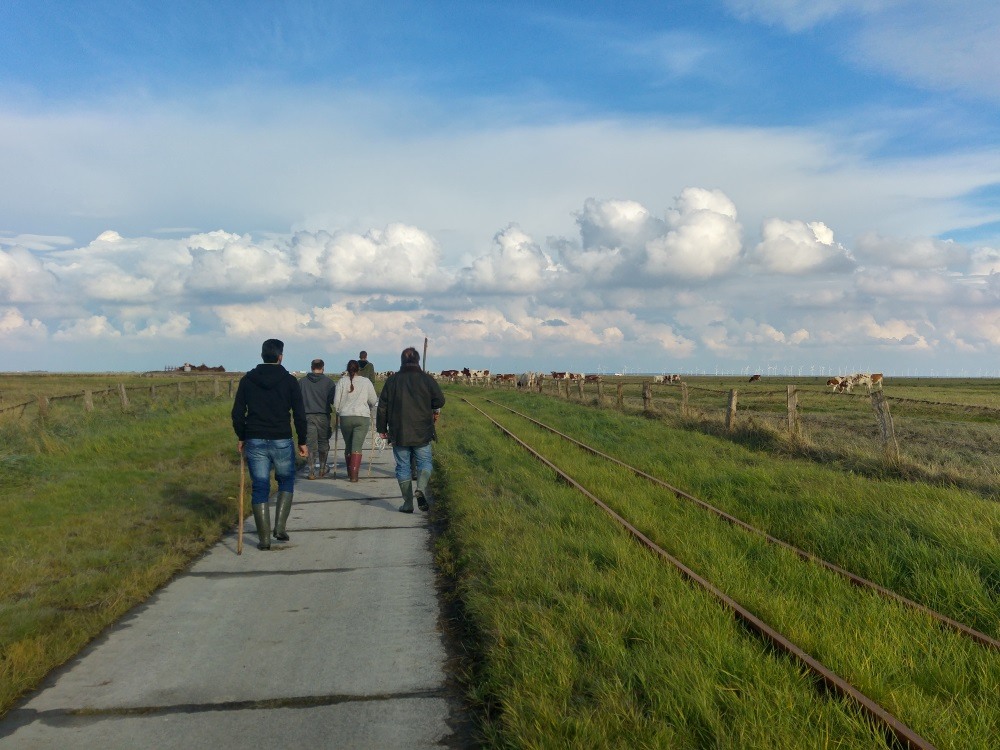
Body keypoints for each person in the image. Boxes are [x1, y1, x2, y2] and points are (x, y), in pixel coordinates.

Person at [231, 338, 308, 549]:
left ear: (262, 355)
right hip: (281, 438)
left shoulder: (248, 380)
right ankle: (280, 528)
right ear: (280, 356)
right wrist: (302, 440)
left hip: (255, 438)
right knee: (285, 480)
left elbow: (238, 413)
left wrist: (241, 436)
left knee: (260, 486)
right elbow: (299, 414)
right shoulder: (289, 381)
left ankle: (264, 540)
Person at [377, 346, 445, 513]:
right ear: (418, 361)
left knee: (402, 467)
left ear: (401, 361)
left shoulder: (392, 380)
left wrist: (381, 429)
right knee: (425, 463)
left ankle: (408, 504)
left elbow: (382, 407)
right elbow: (440, 401)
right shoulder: (427, 379)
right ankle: (420, 488)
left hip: (398, 431)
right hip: (422, 430)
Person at [334, 359, 379, 482]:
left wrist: (339, 411)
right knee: (357, 446)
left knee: (348, 445)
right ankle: (354, 475)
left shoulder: (342, 381)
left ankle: (350, 472)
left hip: (345, 417)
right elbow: (374, 400)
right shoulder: (366, 381)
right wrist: (368, 407)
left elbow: (336, 402)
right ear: (359, 369)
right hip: (362, 417)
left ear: (347, 369)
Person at [299, 358, 336, 479]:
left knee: (310, 444)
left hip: (307, 415)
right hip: (323, 415)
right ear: (323, 367)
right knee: (323, 442)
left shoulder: (302, 382)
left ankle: (311, 471)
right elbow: (332, 401)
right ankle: (322, 468)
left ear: (311, 367)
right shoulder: (329, 382)